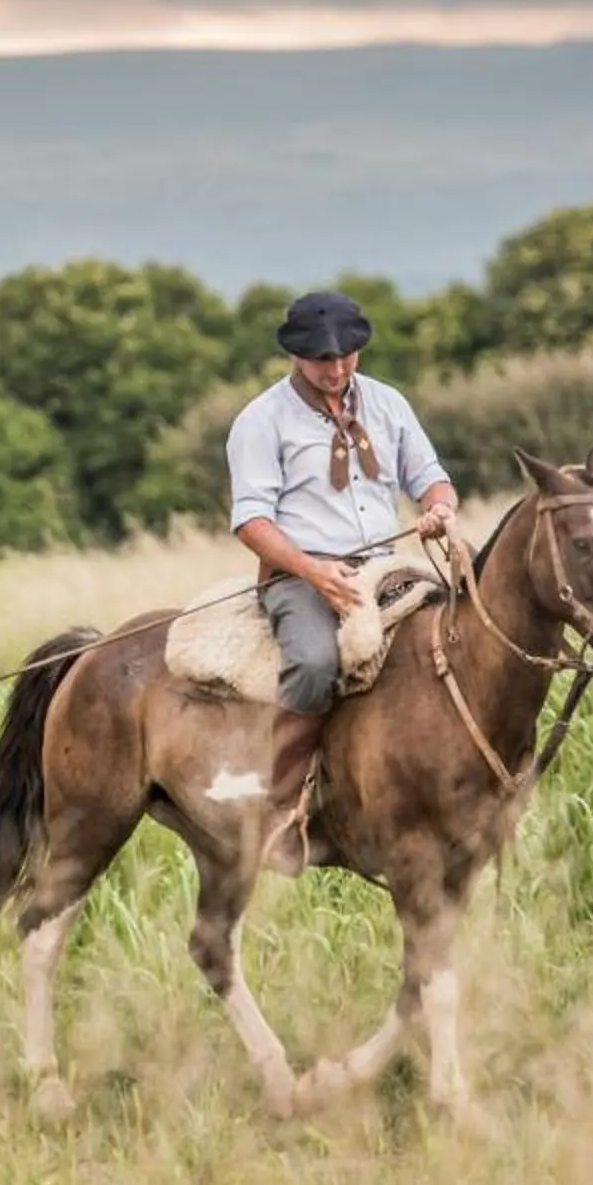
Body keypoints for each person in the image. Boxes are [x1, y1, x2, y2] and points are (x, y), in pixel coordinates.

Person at [224, 290, 459, 875]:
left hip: (387, 564)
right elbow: (251, 521)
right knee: (313, 663)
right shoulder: (262, 420)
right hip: (301, 572)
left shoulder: (387, 403)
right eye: (323, 360)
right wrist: (313, 571)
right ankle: (282, 807)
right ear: (297, 357)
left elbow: (431, 478)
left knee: (456, 633)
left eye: (347, 356)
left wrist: (438, 508)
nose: (336, 369)